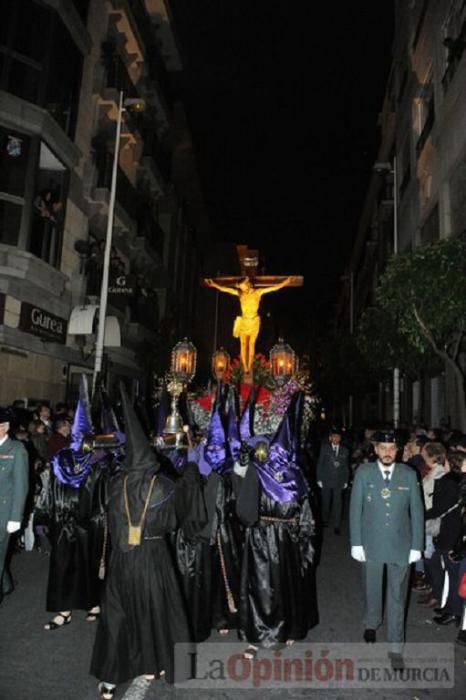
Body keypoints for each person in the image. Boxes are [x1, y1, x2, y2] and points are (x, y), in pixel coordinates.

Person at [90, 385, 206, 699]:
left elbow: (108, 518)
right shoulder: (163, 486)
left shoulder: (116, 484)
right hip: (154, 557)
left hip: (122, 559)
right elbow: (177, 517)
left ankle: (111, 677)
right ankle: (150, 669)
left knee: (117, 614)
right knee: (155, 613)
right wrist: (193, 468)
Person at [350, 429, 424, 667]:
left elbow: (417, 512)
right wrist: (356, 542)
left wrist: (416, 545)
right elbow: (355, 510)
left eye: (392, 448)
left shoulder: (408, 474)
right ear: (375, 450)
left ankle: (395, 646)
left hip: (401, 545)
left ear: (398, 451)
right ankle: (372, 622)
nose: (387, 452)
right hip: (371, 542)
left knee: (397, 596)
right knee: (372, 586)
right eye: (382, 447)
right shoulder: (364, 472)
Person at [204, 276, 292, 372]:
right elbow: (226, 290)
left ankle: (249, 367)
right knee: (243, 344)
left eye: (243, 287)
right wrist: (214, 284)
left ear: (248, 285)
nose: (243, 289)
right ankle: (245, 367)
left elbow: (273, 288)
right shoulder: (241, 294)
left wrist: (285, 282)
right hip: (244, 321)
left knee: (251, 344)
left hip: (253, 321)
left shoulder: (257, 293)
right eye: (241, 288)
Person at [0, 408, 29, 605]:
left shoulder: (16, 450)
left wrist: (15, 518)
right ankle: (6, 584)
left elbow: (21, 485)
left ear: (5, 427)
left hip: (3, 514)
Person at [316, 427, 350, 534]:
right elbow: (320, 464)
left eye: (338, 437)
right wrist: (319, 478)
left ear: (340, 438)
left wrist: (346, 480)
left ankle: (337, 525)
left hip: (338, 480)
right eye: (334, 437)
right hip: (326, 479)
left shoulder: (345, 450)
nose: (336, 439)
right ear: (330, 438)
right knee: (326, 501)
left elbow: (345, 467)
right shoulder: (324, 448)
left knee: (337, 503)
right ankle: (325, 519)